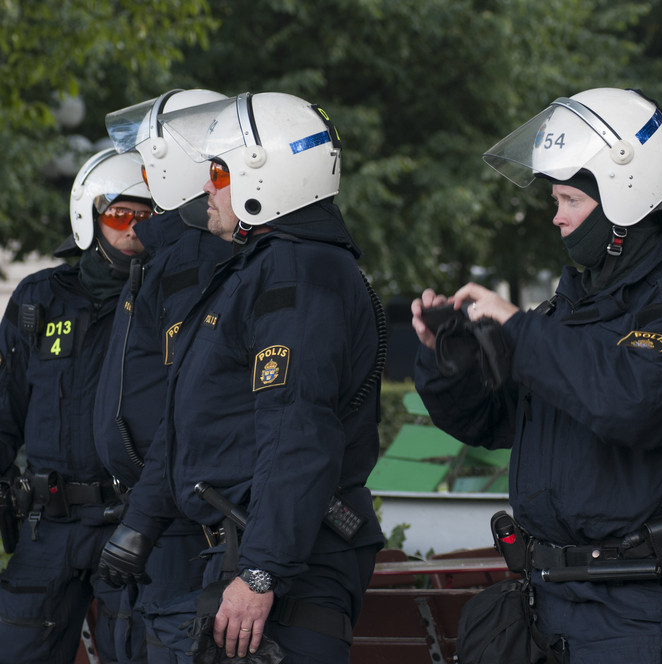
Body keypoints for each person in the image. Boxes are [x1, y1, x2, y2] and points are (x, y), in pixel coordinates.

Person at [411, 88, 662, 662]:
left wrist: (520, 331)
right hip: (544, 601)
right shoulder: (562, 313)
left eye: (571, 200)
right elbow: (489, 422)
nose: (557, 217)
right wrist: (448, 360)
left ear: (623, 201)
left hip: (634, 612)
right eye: (556, 199)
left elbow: (627, 402)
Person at [96, 92, 386, 664]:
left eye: (219, 173)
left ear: (265, 176)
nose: (207, 188)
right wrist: (140, 525)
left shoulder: (297, 272)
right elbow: (189, 417)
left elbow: (297, 430)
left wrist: (261, 571)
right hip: (247, 549)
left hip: (285, 567)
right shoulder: (258, 268)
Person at [95, 89, 233, 663]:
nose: (146, 174)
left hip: (181, 519)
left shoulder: (196, 257)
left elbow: (188, 410)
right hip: (155, 512)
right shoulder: (169, 252)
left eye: (153, 159)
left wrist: (146, 516)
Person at [0, 148, 153, 663]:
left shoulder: (169, 301)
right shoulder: (38, 298)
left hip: (135, 523)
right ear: (90, 215)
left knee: (136, 650)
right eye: (121, 214)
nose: (135, 229)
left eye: (148, 216)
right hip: (47, 525)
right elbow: (4, 409)